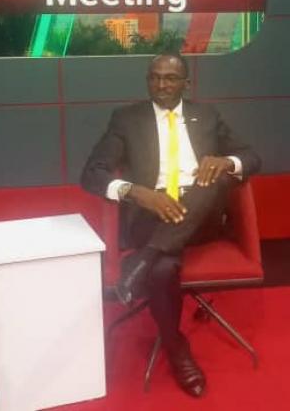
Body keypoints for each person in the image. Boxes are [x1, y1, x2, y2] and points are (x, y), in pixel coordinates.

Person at [80, 52, 261, 397]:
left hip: (201, 216)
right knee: (163, 271)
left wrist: (226, 161)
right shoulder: (126, 119)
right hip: (151, 212)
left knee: (214, 178)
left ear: (186, 83)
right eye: (154, 77)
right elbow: (92, 173)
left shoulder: (206, 116)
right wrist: (137, 193)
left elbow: (252, 157)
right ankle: (177, 347)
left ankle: (144, 258)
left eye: (170, 78)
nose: (161, 85)